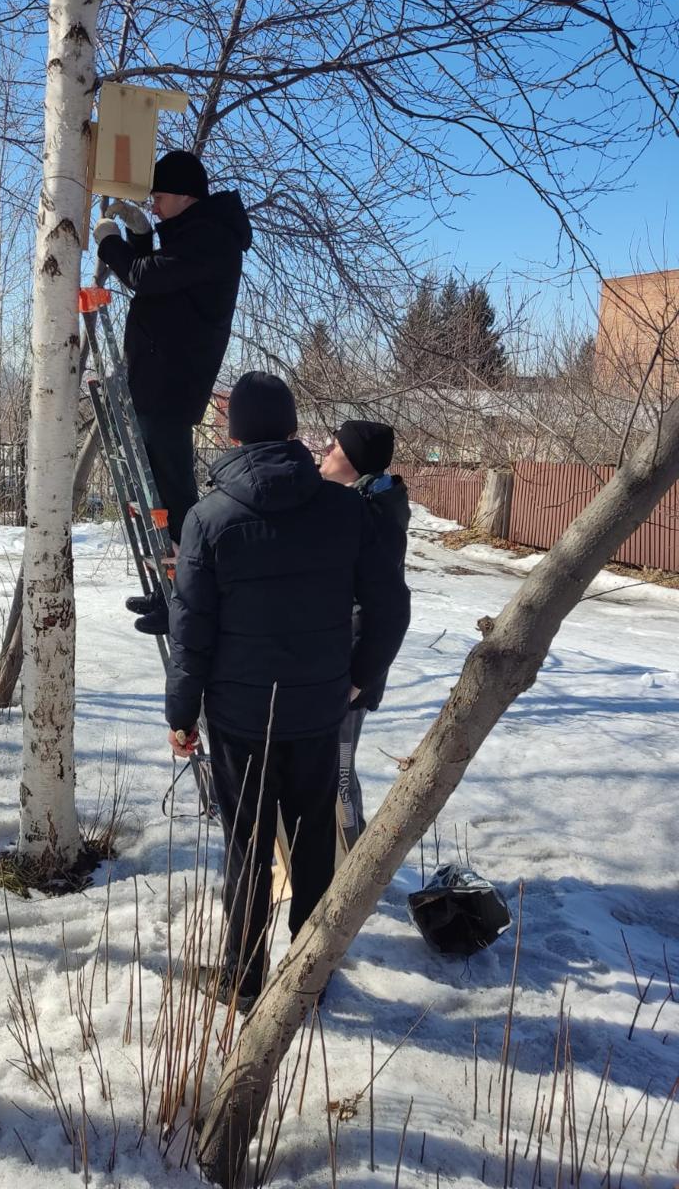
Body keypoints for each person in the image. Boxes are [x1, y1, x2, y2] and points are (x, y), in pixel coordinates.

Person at [165, 374, 410, 1011]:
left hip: (240, 717)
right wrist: (357, 676)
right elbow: (390, 606)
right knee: (312, 846)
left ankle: (244, 981)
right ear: (293, 428)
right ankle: (308, 979)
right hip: (317, 710)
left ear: (234, 435)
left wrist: (181, 714)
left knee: (248, 847)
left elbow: (191, 631)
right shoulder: (346, 511)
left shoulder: (207, 518)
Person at [94, 151, 252, 635]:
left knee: (174, 494)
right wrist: (141, 234)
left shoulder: (211, 238)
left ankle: (185, 598)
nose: (155, 205)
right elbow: (156, 273)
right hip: (158, 379)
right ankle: (168, 589)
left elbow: (147, 277)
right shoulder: (196, 232)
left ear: (185, 195)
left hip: (172, 384)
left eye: (159, 197)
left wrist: (110, 242)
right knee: (157, 491)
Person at [320, 420, 410, 849]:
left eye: (335, 446)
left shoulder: (373, 516)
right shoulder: (357, 505)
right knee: (331, 768)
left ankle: (355, 865)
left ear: (353, 462)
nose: (325, 451)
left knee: (338, 773)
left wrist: (357, 680)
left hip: (350, 673)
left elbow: (388, 612)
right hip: (337, 666)